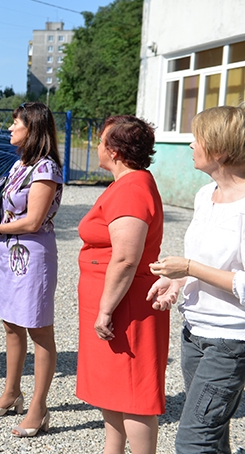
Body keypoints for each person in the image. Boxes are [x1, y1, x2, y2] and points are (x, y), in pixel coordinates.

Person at [148, 105, 245, 454]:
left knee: (193, 442)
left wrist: (188, 268)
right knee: (213, 438)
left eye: (197, 138)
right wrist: (176, 282)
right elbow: (205, 263)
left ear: (220, 150)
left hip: (230, 340)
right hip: (194, 333)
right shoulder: (205, 195)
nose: (191, 145)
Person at [76, 116, 167, 454]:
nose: (97, 146)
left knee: (134, 395)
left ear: (114, 151)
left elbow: (127, 258)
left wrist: (105, 309)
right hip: (116, 301)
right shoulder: (127, 184)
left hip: (125, 305)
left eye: (101, 141)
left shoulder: (131, 189)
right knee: (113, 389)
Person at [0, 102, 63, 437]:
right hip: (10, 255)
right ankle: (12, 392)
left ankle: (39, 408)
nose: (10, 128)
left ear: (33, 129)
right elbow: (14, 210)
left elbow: (34, 221)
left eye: (16, 123)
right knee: (11, 325)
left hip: (34, 257)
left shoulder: (46, 168)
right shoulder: (20, 164)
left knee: (39, 330)